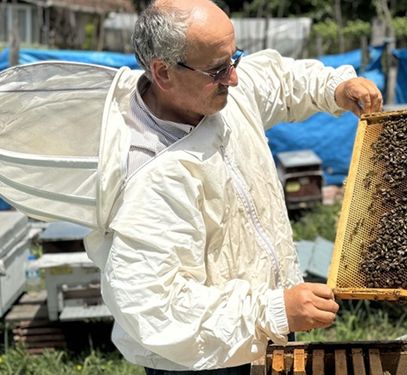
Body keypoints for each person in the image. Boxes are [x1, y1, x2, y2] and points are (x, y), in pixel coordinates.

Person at [84, 0, 383, 374]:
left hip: (267, 329)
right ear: (162, 72)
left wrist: (335, 86)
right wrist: (275, 310)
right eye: (218, 69)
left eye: (234, 59)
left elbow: (278, 80)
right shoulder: (145, 173)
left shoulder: (215, 89)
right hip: (199, 359)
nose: (234, 77)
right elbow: (156, 307)